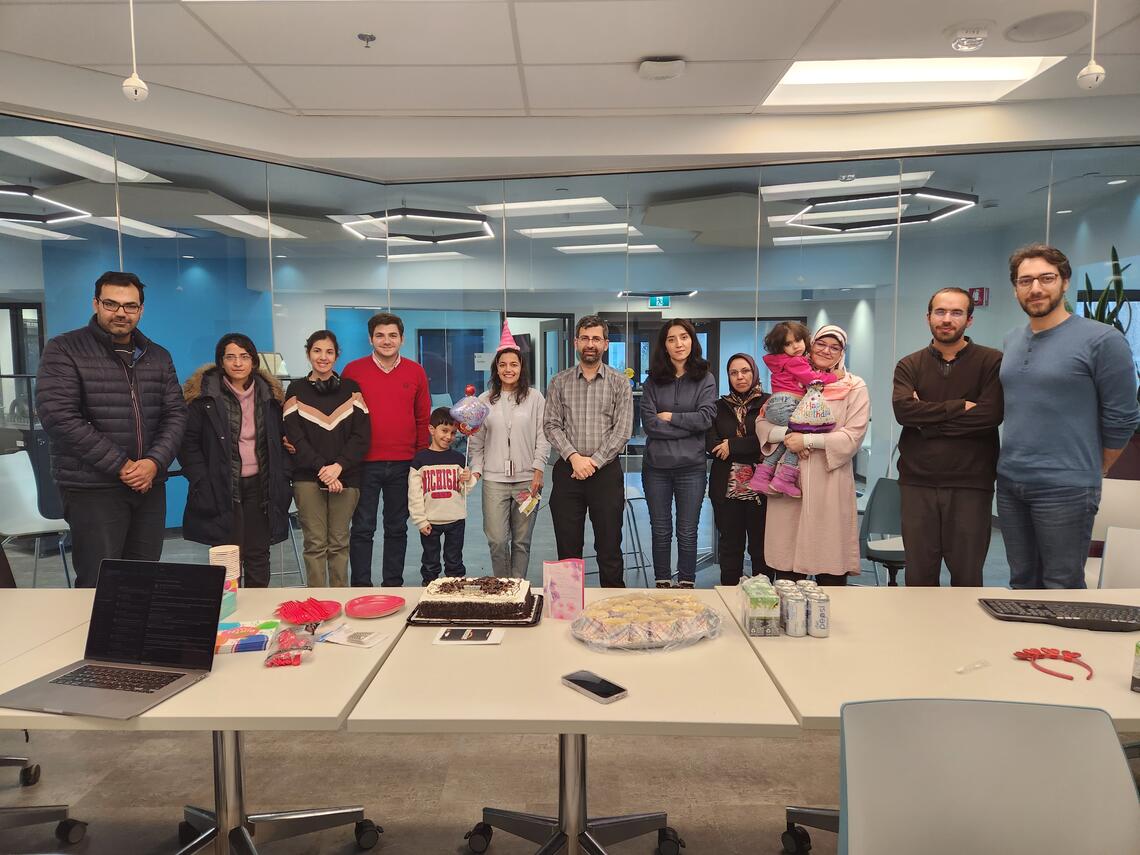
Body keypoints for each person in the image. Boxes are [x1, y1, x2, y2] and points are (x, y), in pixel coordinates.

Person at [998, 244, 1139, 589]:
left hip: (1066, 488)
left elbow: (1123, 416)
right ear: (1015, 288)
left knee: (1061, 585)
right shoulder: (1013, 339)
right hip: (1011, 483)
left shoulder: (1102, 340)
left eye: (1046, 278)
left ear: (1064, 282)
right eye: (1025, 280)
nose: (1035, 288)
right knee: (1021, 583)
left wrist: (1094, 468)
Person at [35, 271, 187, 588]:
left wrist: (154, 462)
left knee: (144, 579)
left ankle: (136, 625)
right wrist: (122, 465)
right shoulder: (64, 349)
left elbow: (175, 414)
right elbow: (59, 417)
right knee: (99, 581)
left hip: (148, 485)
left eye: (130, 306)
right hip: (93, 488)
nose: (121, 312)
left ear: (141, 310)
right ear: (96, 304)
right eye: (111, 304)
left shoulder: (158, 356)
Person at [893, 288, 1003, 587]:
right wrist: (958, 407)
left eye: (956, 313)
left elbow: (990, 416)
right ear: (928, 317)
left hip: (971, 484)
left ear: (969, 320)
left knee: (967, 576)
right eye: (940, 312)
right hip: (917, 483)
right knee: (919, 576)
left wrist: (926, 424)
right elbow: (904, 412)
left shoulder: (991, 362)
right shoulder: (909, 365)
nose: (947, 319)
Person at [755, 324, 869, 585]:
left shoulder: (853, 386)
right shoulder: (793, 378)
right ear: (811, 343)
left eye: (835, 347)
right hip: (789, 484)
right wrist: (788, 436)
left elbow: (853, 436)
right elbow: (762, 423)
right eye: (821, 344)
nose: (827, 351)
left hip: (829, 484)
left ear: (842, 352)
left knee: (830, 570)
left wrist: (807, 440)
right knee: (787, 573)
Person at [179, 334, 292, 588]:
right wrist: (201, 479)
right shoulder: (204, 396)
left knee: (258, 553)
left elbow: (283, 439)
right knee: (227, 555)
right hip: (221, 486)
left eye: (244, 357)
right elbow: (188, 444)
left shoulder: (270, 396)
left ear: (253, 361)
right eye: (230, 357)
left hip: (262, 485)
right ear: (221, 361)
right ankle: (230, 606)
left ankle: (258, 606)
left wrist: (284, 475)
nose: (238, 363)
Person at [543, 315, 634, 588]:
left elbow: (622, 431)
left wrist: (593, 462)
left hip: (605, 474)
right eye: (585, 338)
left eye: (596, 338)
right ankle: (568, 606)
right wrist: (574, 458)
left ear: (605, 344)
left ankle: (612, 606)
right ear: (576, 343)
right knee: (568, 548)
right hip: (568, 473)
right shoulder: (559, 382)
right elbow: (551, 425)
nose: (590, 344)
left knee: (609, 548)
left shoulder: (620, 383)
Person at [342, 312, 431, 587]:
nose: (386, 340)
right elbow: (343, 418)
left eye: (393, 335)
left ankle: (393, 585)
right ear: (370, 339)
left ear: (402, 339)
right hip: (363, 463)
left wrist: (421, 460)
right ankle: (360, 587)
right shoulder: (353, 371)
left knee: (397, 528)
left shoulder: (415, 371)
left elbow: (422, 418)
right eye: (380, 335)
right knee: (362, 527)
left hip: (405, 463)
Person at [283, 330, 371, 587]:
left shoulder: (352, 389)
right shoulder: (295, 390)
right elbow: (295, 437)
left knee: (340, 543)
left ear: (337, 355)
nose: (323, 357)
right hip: (308, 478)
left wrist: (338, 467)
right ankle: (318, 602)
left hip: (346, 477)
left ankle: (339, 599)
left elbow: (361, 436)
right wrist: (324, 470)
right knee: (315, 544)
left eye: (329, 352)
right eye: (317, 351)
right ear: (308, 354)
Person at [468, 324, 550, 579]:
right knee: (497, 540)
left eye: (513, 364)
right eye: (503, 365)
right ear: (496, 368)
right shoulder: (484, 400)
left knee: (521, 542)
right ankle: (503, 587)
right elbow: (477, 442)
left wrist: (538, 471)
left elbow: (543, 436)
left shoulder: (535, 398)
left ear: (521, 367)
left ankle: (517, 587)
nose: (508, 369)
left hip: (527, 479)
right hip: (494, 481)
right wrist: (476, 472)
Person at [640, 319, 717, 588]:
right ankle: (662, 583)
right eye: (671, 339)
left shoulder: (705, 378)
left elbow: (705, 418)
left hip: (691, 468)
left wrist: (670, 417)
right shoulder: (652, 380)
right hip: (656, 468)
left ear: (692, 341)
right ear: (665, 345)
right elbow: (650, 424)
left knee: (687, 531)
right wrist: (687, 426)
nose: (678, 344)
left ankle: (686, 585)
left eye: (683, 337)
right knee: (660, 530)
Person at [749, 321, 837, 498]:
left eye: (798, 340)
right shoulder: (795, 361)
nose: (795, 346)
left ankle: (761, 476)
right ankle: (785, 479)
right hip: (787, 403)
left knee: (786, 441)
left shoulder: (784, 361)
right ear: (780, 348)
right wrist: (834, 376)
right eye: (788, 344)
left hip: (777, 405)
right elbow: (812, 379)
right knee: (799, 437)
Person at [707, 353, 772, 585]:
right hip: (727, 491)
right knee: (730, 549)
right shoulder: (718, 407)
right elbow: (712, 444)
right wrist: (747, 445)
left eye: (745, 371)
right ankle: (729, 597)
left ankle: (763, 600)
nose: (740, 377)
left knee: (760, 550)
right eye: (733, 373)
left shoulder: (768, 404)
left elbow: (768, 440)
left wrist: (732, 445)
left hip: (761, 490)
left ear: (754, 372)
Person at [408, 407, 472, 584]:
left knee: (455, 562)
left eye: (453, 432)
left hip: (456, 519)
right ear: (431, 429)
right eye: (444, 431)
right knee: (430, 563)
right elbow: (414, 494)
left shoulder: (459, 459)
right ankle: (429, 591)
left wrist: (468, 479)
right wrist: (420, 520)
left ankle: (455, 593)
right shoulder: (420, 460)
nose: (449, 436)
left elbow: (465, 490)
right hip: (431, 521)